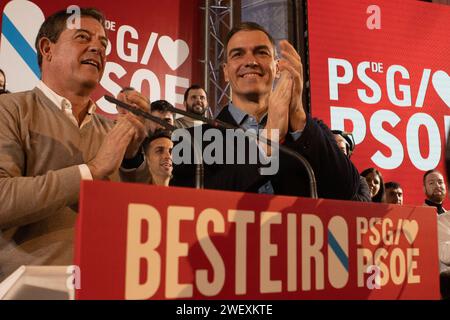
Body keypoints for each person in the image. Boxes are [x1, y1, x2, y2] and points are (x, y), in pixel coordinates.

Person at [0, 8, 149, 282]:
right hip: (30, 289)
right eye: (83, 37)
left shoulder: (112, 129)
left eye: (103, 44)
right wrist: (91, 171)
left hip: (107, 284)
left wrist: (132, 159)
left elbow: (143, 220)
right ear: (47, 49)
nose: (98, 48)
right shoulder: (8, 110)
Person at [171, 22, 360, 199]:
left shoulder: (309, 131)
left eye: (261, 53)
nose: (250, 61)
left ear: (277, 67)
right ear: (226, 72)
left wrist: (297, 113)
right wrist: (267, 145)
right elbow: (190, 203)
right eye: (238, 54)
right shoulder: (189, 140)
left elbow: (346, 191)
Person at [332, 130, 371, 202]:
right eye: (333, 150)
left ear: (348, 154)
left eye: (342, 150)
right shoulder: (313, 177)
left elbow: (365, 205)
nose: (337, 154)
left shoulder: (360, 181)